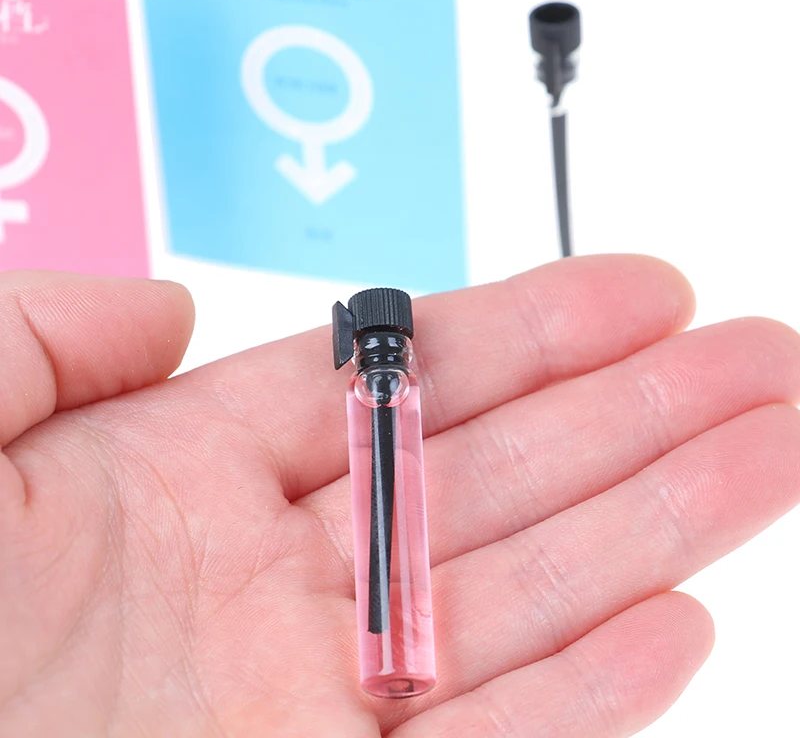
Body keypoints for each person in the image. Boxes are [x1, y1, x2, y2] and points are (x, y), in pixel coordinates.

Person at [1, 254, 798, 737]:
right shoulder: (376, 393)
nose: (382, 361)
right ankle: (390, 658)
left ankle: (400, 659)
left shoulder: (387, 392)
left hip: (401, 661)